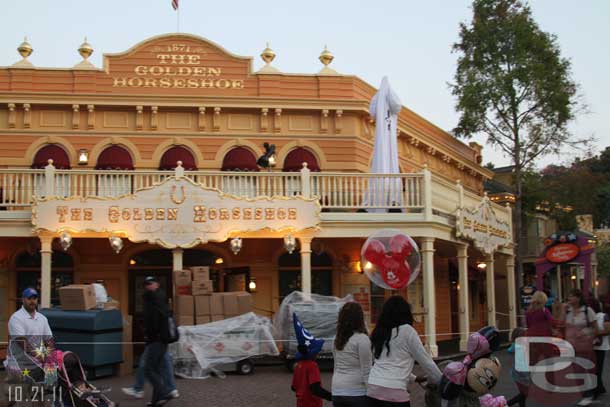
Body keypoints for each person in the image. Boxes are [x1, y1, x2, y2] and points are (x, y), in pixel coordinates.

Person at [367, 296, 441, 407]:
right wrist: (444, 380)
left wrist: (414, 378)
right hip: (395, 392)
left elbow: (384, 362)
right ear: (405, 313)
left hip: (373, 388)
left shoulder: (379, 332)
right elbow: (426, 361)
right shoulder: (407, 331)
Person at [560, 289, 597, 407]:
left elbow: (595, 328)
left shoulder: (587, 311)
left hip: (584, 345)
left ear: (578, 298)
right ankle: (584, 393)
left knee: (585, 369)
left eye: (572, 296)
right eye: (569, 296)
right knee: (576, 370)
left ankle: (588, 394)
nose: (569, 299)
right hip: (571, 345)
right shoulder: (568, 311)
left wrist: (585, 332)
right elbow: (560, 324)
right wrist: (562, 310)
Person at [331, 302, 372, 407]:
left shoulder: (336, 339)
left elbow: (336, 366)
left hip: (337, 390)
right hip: (357, 392)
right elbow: (366, 371)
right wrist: (372, 394)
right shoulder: (362, 339)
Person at [142, 276, 173, 407]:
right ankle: (157, 400)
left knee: (149, 369)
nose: (148, 286)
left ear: (157, 284)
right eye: (146, 284)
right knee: (157, 369)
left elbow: (153, 322)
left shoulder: (153, 300)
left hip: (156, 340)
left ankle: (164, 392)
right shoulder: (159, 298)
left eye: (150, 283)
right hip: (162, 339)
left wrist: (150, 335)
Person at [291, 312, 332, 407]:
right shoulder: (312, 365)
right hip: (312, 403)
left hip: (301, 403)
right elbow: (315, 388)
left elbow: (293, 387)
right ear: (312, 354)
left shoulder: (298, 365)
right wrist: (331, 397)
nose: (318, 353)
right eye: (317, 351)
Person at [591, 300, 610, 400]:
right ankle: (600, 388)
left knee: (597, 369)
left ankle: (595, 391)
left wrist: (595, 334)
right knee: (595, 369)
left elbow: (608, 330)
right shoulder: (589, 317)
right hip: (590, 346)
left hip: (601, 346)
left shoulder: (603, 316)